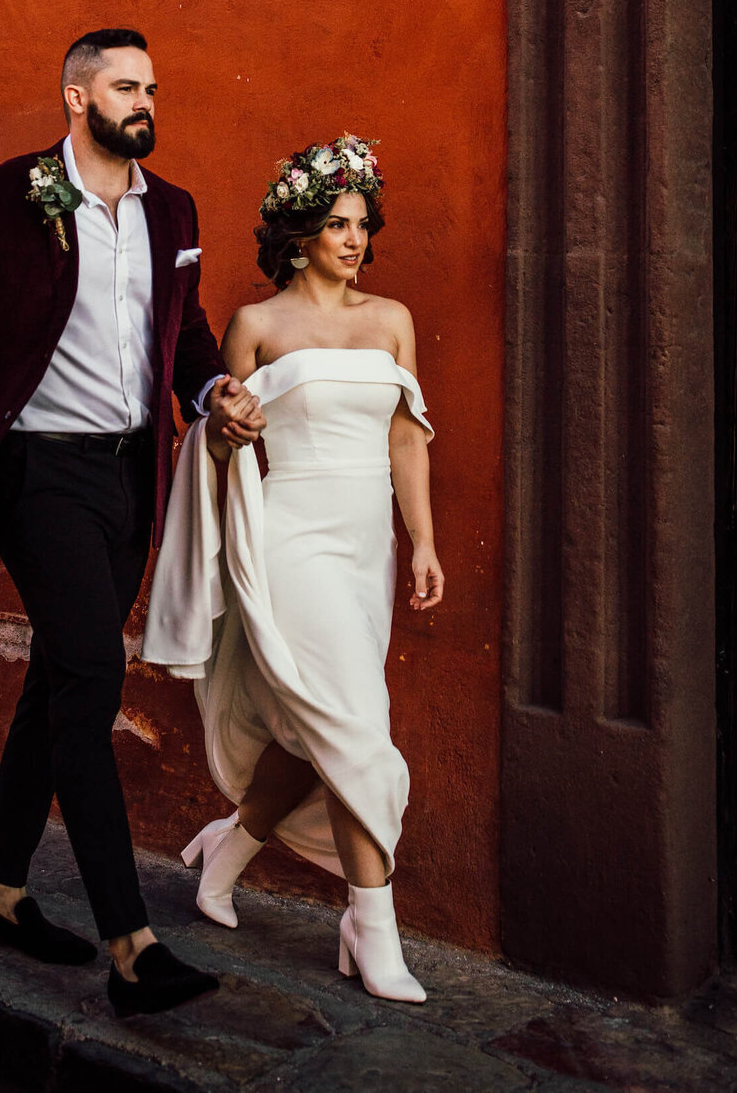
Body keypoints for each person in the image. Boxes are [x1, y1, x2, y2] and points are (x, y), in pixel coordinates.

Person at [0, 28, 264, 1017]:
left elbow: (180, 335)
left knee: (55, 676)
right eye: (125, 86)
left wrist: (216, 387)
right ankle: (132, 944)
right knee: (93, 681)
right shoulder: (6, 197)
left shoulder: (170, 210)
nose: (145, 101)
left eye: (152, 87)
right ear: (74, 98)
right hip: (38, 476)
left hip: (128, 481)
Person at [142, 134, 444, 1004]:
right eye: (337, 223)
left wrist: (420, 541)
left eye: (362, 224)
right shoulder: (257, 326)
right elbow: (213, 431)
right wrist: (220, 429)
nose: (355, 240)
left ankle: (226, 849)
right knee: (356, 727)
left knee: (314, 728)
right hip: (291, 541)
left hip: (365, 550)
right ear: (299, 232)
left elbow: (405, 440)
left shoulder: (391, 320)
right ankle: (371, 924)